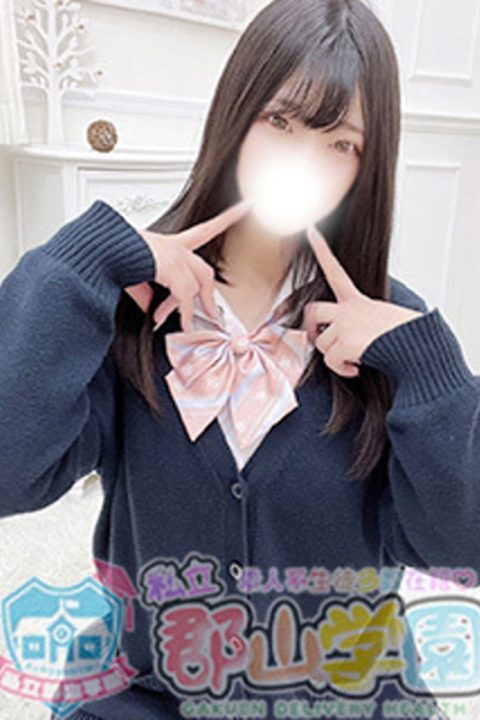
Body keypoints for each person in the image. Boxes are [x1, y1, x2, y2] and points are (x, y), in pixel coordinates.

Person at [0, 1, 477, 718]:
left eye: (339, 143)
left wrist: (427, 365)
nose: (301, 162)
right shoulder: (131, 310)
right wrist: (82, 261)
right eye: (279, 121)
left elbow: (461, 552)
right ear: (236, 113)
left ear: (367, 163)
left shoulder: (387, 337)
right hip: (150, 689)